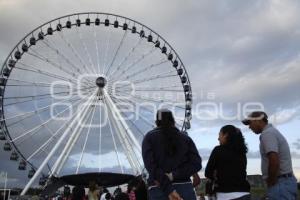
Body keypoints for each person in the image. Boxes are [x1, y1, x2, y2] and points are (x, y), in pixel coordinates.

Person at [142, 109, 202, 200]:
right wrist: (173, 175)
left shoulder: (149, 138)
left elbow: (150, 166)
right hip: (184, 186)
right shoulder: (186, 139)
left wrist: (167, 187)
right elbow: (196, 164)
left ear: (156, 122)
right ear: (173, 121)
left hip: (158, 188)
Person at [242, 111, 298, 199]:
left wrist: (271, 183)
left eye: (250, 123)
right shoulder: (272, 132)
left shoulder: (268, 134)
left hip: (280, 183)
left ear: (258, 120)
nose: (249, 127)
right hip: (283, 182)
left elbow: (274, 161)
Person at [205, 125, 251, 200]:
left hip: (225, 195)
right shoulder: (242, 153)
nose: (218, 138)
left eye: (220, 135)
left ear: (226, 135)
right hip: (245, 193)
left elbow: (208, 173)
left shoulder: (218, 150)